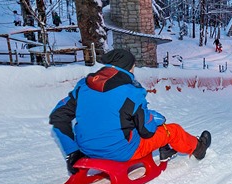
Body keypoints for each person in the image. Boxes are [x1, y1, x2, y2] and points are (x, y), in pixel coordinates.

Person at [49, 49, 211, 174]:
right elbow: (146, 131)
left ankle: (166, 149)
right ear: (128, 68)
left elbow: (58, 116)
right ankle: (199, 148)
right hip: (121, 151)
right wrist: (156, 119)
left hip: (86, 150)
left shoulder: (83, 86)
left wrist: (72, 151)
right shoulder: (131, 92)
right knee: (172, 130)